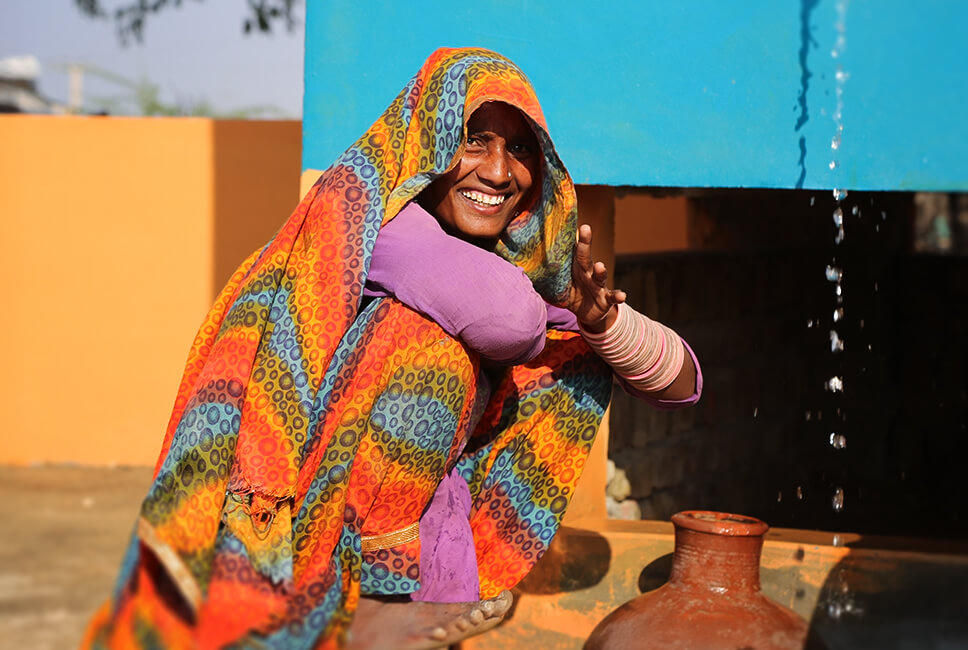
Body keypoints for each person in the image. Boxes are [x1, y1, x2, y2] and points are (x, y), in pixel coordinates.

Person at [84, 48, 699, 649]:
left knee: (575, 350)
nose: (498, 171)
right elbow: (510, 319)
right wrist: (560, 316)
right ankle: (372, 593)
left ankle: (407, 580)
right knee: (427, 342)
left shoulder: (519, 258)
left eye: (519, 149)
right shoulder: (379, 220)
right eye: (474, 140)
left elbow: (681, 383)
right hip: (305, 527)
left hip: (435, 525)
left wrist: (603, 327)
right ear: (429, 142)